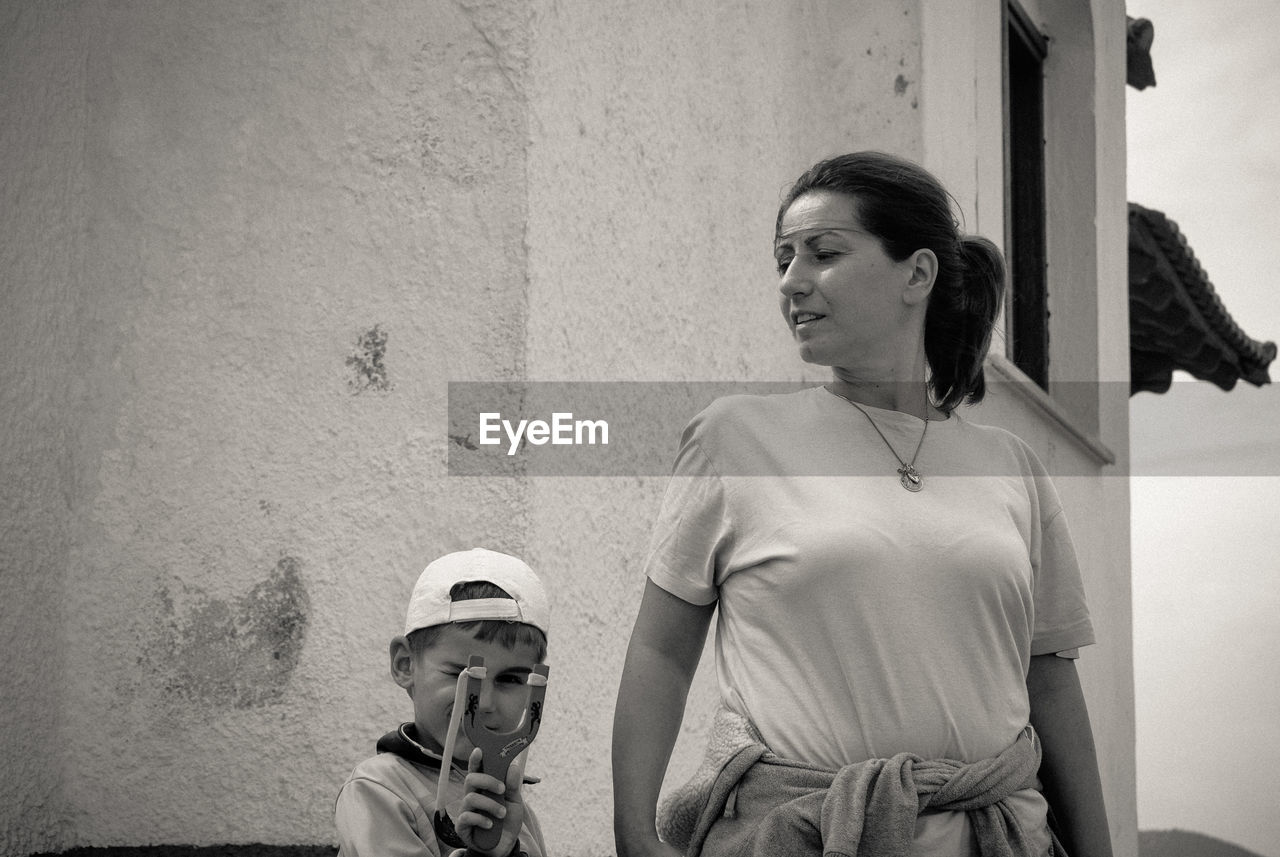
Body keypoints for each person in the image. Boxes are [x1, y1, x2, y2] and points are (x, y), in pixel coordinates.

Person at [612, 152, 1113, 857]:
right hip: (799, 837)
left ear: (917, 274)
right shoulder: (733, 438)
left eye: (823, 253)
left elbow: (1051, 682)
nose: (792, 282)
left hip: (1000, 837)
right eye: (783, 259)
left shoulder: (1012, 467)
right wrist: (634, 835)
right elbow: (662, 650)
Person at [336, 547, 552, 857]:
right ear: (405, 663)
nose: (485, 703)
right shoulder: (377, 790)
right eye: (462, 675)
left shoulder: (516, 813)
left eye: (510, 679)